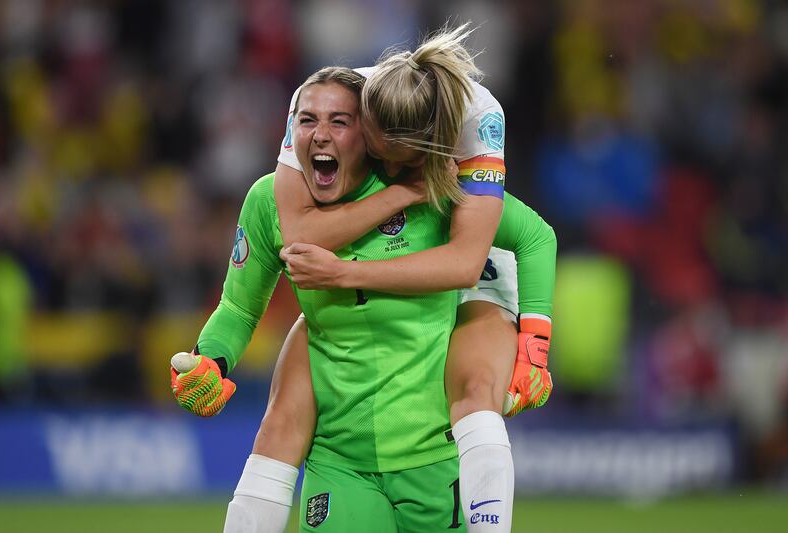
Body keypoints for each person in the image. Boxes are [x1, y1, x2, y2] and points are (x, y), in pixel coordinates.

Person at [173, 24, 556, 532]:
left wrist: (534, 341)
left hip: (432, 460)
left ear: (367, 133)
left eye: (338, 121)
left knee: (479, 359)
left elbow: (529, 239)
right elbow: (240, 308)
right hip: (341, 463)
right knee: (286, 398)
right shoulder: (269, 201)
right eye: (307, 121)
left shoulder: (439, 186)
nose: (321, 135)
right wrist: (212, 359)